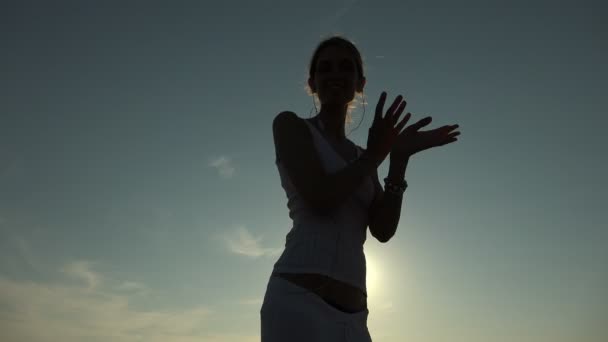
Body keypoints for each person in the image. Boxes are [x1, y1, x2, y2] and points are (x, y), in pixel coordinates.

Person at [260, 35, 461, 341]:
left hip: (354, 319)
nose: (335, 74)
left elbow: (382, 230)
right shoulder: (291, 126)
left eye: (345, 67)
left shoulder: (360, 157)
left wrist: (398, 159)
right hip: (298, 304)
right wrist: (376, 154)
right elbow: (320, 197)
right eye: (325, 69)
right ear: (312, 83)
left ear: (360, 83)